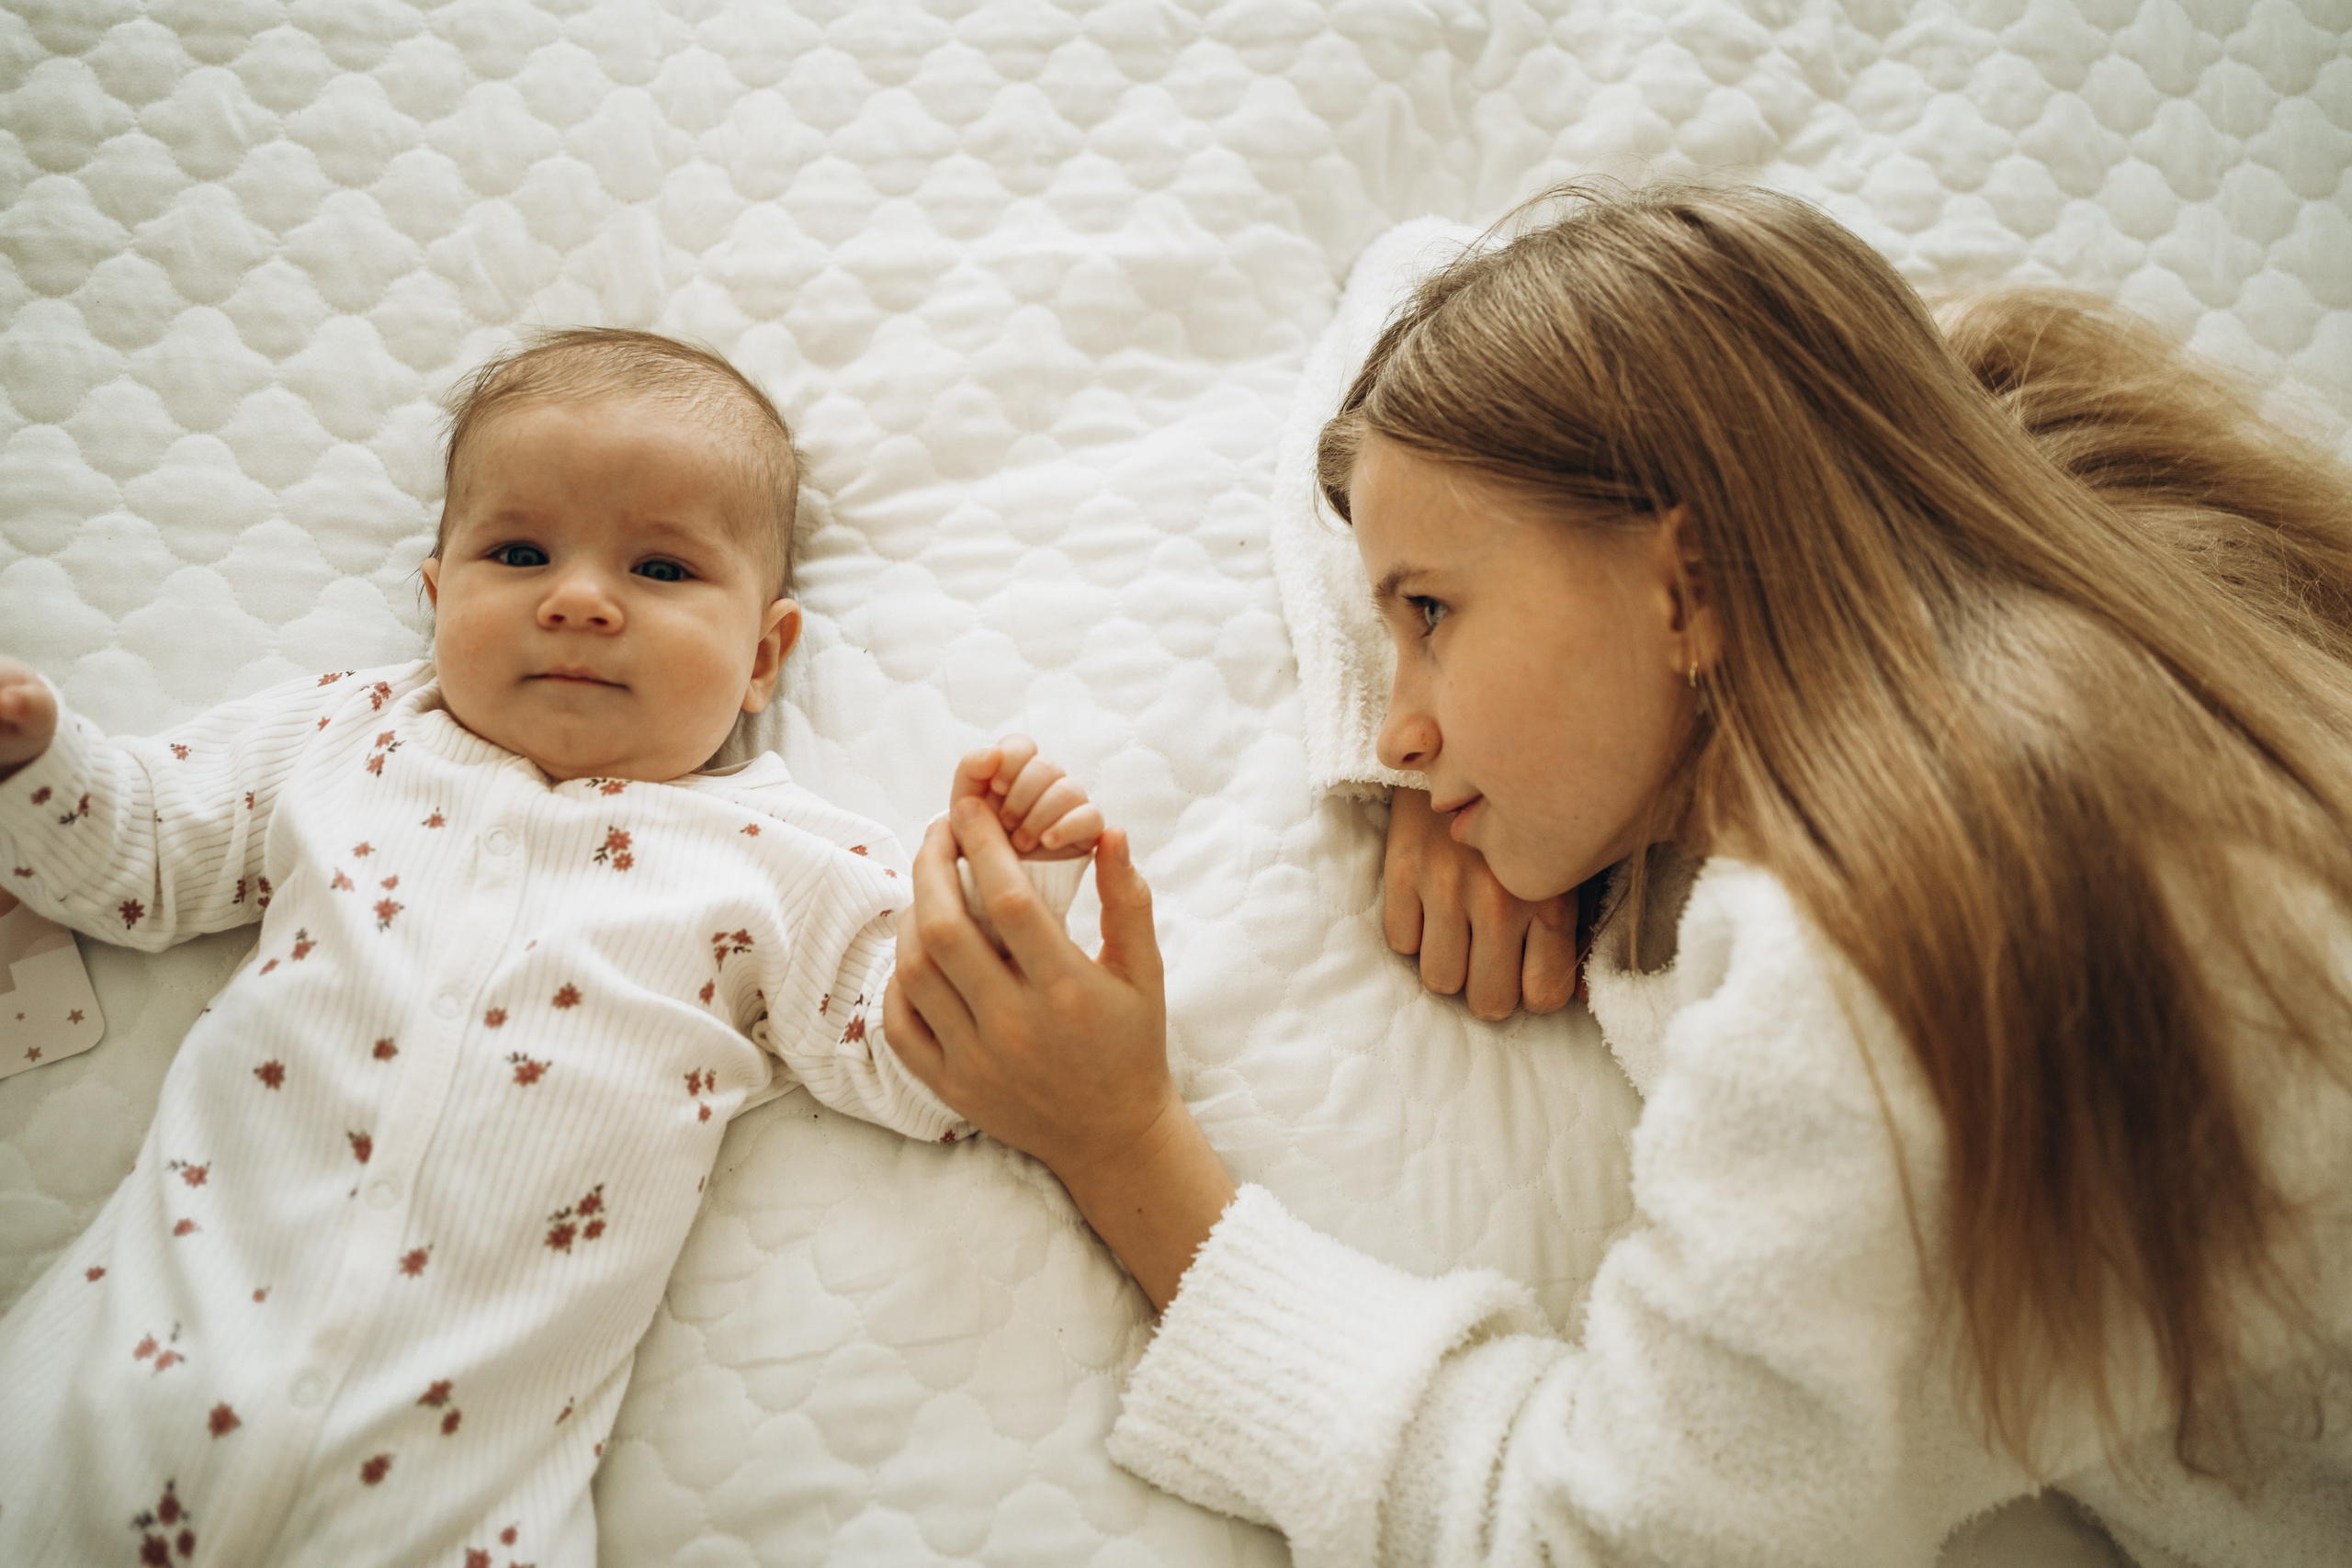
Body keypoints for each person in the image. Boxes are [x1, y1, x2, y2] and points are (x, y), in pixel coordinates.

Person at [881, 184, 2352, 1566]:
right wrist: (1469, 771)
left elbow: (1604, 1539)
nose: (1394, 721)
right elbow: (1420, 274)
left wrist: (1121, 1143)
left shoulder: (1869, 983)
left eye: (1432, 615)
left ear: (1687, 583)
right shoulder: (1998, 494)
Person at [0, 328, 1102, 1567]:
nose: (578, 597)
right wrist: (42, 762)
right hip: (111, 1390)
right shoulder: (353, 741)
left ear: (763, 657)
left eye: (660, 567)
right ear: (436, 601)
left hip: (451, 1503)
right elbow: (147, 855)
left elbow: (918, 1069)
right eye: (517, 553)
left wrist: (1012, 897)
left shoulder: (776, 858)